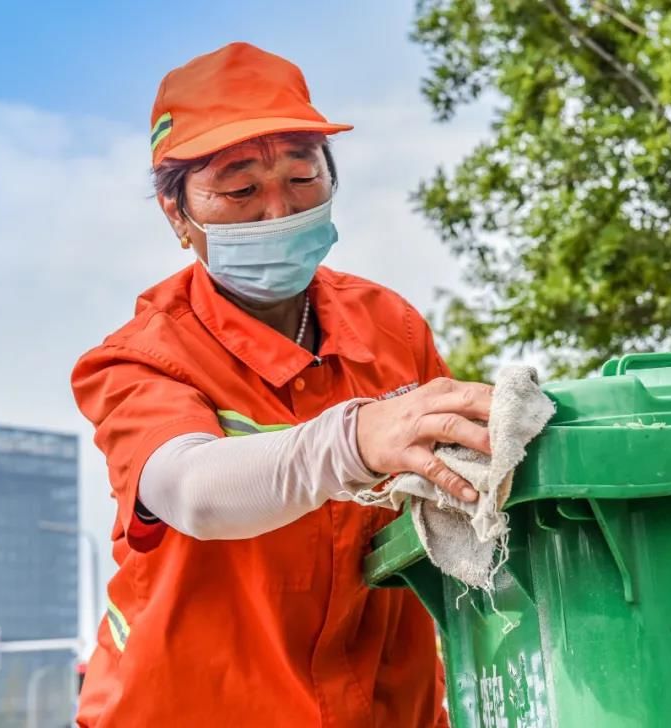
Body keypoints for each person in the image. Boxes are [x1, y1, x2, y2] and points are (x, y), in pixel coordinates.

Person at [70, 42, 493, 727]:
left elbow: (459, 502)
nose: (278, 212)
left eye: (301, 180)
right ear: (177, 215)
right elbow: (193, 490)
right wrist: (354, 440)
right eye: (240, 190)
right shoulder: (138, 360)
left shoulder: (391, 328)